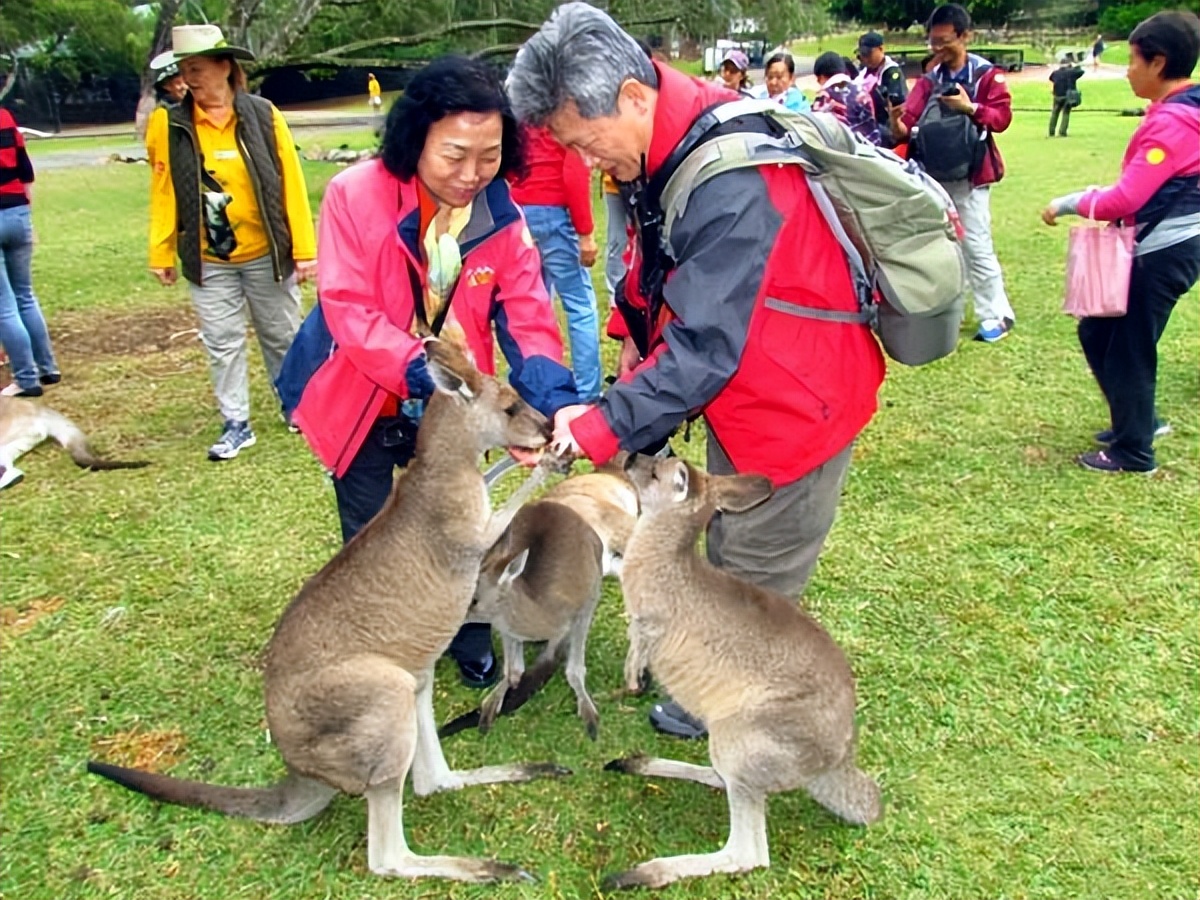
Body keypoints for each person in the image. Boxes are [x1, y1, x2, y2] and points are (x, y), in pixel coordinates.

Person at [507, 3, 885, 739]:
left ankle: (739, 695)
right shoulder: (670, 138)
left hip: (796, 397)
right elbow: (657, 254)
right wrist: (629, 328)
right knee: (721, 529)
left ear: (631, 96)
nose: (585, 164)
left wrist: (595, 427)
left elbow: (705, 348)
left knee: (755, 556)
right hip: (750, 386)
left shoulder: (729, 178)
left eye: (584, 143)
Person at [280, 56, 580, 688]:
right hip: (365, 396)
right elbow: (350, 310)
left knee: (463, 524)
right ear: (416, 139)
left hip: (455, 406)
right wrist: (433, 375)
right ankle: (382, 638)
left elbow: (527, 313)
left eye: (490, 156)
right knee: (373, 531)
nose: (472, 175)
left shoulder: (500, 213)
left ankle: (466, 630)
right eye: (455, 155)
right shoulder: (354, 196)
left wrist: (552, 403)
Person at [147, 24, 317, 460]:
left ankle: (298, 407)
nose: (189, 79)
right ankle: (236, 423)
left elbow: (291, 183)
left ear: (225, 67)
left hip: (265, 252)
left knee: (282, 334)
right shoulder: (169, 123)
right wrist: (161, 250)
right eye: (184, 70)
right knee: (222, 341)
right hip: (209, 258)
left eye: (197, 68)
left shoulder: (263, 115)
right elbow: (163, 190)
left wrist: (304, 250)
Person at [1041, 11, 1200, 475]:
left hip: (1159, 252)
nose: (1127, 70)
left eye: (1132, 60)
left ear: (1158, 62)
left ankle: (1134, 451)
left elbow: (1125, 198)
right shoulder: (1181, 111)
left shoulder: (1174, 123)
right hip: (1162, 246)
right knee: (1098, 331)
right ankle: (1138, 421)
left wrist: (1067, 203)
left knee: (1129, 346)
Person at [889, 3, 1017, 344]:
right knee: (944, 246)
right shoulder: (930, 80)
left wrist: (970, 107)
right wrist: (895, 119)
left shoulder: (986, 75)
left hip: (970, 174)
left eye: (945, 41)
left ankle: (997, 314)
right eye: (933, 42)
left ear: (965, 36)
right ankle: (950, 309)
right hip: (935, 174)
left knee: (976, 244)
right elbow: (906, 126)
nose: (938, 48)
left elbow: (1002, 118)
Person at [510, 124, 603, 400]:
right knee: (579, 305)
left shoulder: (523, 117)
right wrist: (585, 232)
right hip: (555, 214)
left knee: (533, 308)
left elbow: (511, 164)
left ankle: (541, 391)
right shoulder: (565, 116)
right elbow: (575, 172)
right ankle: (587, 394)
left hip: (521, 212)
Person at [0, 108, 59, 398]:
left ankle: (26, 378)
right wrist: (26, 216)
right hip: (17, 211)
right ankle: (47, 367)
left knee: (4, 306)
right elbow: (25, 169)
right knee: (25, 295)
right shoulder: (5, 118)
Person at [813, 51, 883, 145]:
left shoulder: (825, 97)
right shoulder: (863, 91)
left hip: (845, 152)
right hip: (873, 149)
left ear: (820, 77)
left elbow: (815, 130)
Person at [856, 31, 909, 145]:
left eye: (868, 54)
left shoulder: (892, 72)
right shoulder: (863, 73)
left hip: (888, 127)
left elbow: (898, 105)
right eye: (862, 55)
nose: (865, 58)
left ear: (881, 49)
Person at [1049, 55, 1085, 137]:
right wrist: (1076, 65)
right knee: (1066, 113)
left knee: (1054, 113)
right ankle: (1062, 132)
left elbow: (1051, 79)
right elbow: (1081, 72)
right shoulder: (1072, 72)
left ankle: (1051, 131)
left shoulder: (1055, 73)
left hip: (1057, 95)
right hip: (1068, 96)